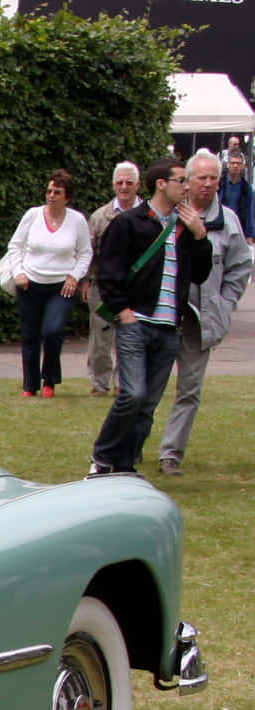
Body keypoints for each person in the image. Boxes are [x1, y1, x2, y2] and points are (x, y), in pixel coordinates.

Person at [88, 157, 212, 476]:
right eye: (181, 181)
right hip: (136, 322)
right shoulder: (130, 222)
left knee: (147, 405)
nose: (187, 187)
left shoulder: (185, 226)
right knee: (133, 393)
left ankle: (126, 465)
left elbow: (199, 274)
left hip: (169, 327)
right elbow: (109, 269)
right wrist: (122, 310)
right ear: (161, 184)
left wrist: (201, 237)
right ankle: (102, 457)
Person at [155, 150, 252, 476]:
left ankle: (171, 455)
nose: (209, 184)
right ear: (189, 180)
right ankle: (131, 448)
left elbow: (240, 268)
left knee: (190, 391)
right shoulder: (168, 215)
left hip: (202, 320)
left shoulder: (228, 222)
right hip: (164, 315)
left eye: (214, 178)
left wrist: (224, 306)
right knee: (147, 386)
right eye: (202, 178)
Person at [4, 169, 91, 397]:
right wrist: (18, 272)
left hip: (61, 286)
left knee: (52, 331)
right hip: (30, 284)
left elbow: (85, 253)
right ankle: (30, 386)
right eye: (49, 191)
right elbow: (15, 246)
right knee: (30, 335)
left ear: (67, 197)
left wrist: (74, 276)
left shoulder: (77, 220)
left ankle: (49, 380)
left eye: (57, 192)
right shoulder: (32, 215)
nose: (51, 195)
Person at [82, 162, 140, 396]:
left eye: (129, 182)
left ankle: (123, 383)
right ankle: (100, 383)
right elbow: (89, 252)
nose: (124, 187)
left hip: (137, 287)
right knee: (101, 339)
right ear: (113, 184)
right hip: (104, 286)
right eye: (120, 182)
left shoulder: (149, 215)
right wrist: (85, 281)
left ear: (138, 185)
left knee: (132, 336)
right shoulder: (100, 217)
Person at [222, 151, 254, 248]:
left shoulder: (247, 188)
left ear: (243, 166)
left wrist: (250, 235)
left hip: (240, 229)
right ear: (228, 165)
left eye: (238, 163)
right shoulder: (219, 185)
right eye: (233, 163)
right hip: (221, 227)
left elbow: (250, 212)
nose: (235, 166)